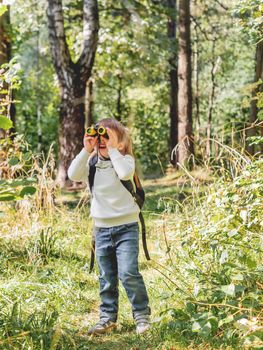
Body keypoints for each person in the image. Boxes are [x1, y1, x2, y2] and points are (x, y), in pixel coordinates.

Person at [67, 118, 151, 335]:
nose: (101, 140)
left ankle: (141, 315)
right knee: (106, 277)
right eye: (99, 137)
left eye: (107, 137)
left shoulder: (126, 160)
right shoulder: (92, 164)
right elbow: (72, 175)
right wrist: (86, 150)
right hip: (101, 230)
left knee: (129, 273)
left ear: (121, 144)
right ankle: (107, 319)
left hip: (127, 228)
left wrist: (113, 150)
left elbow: (124, 174)